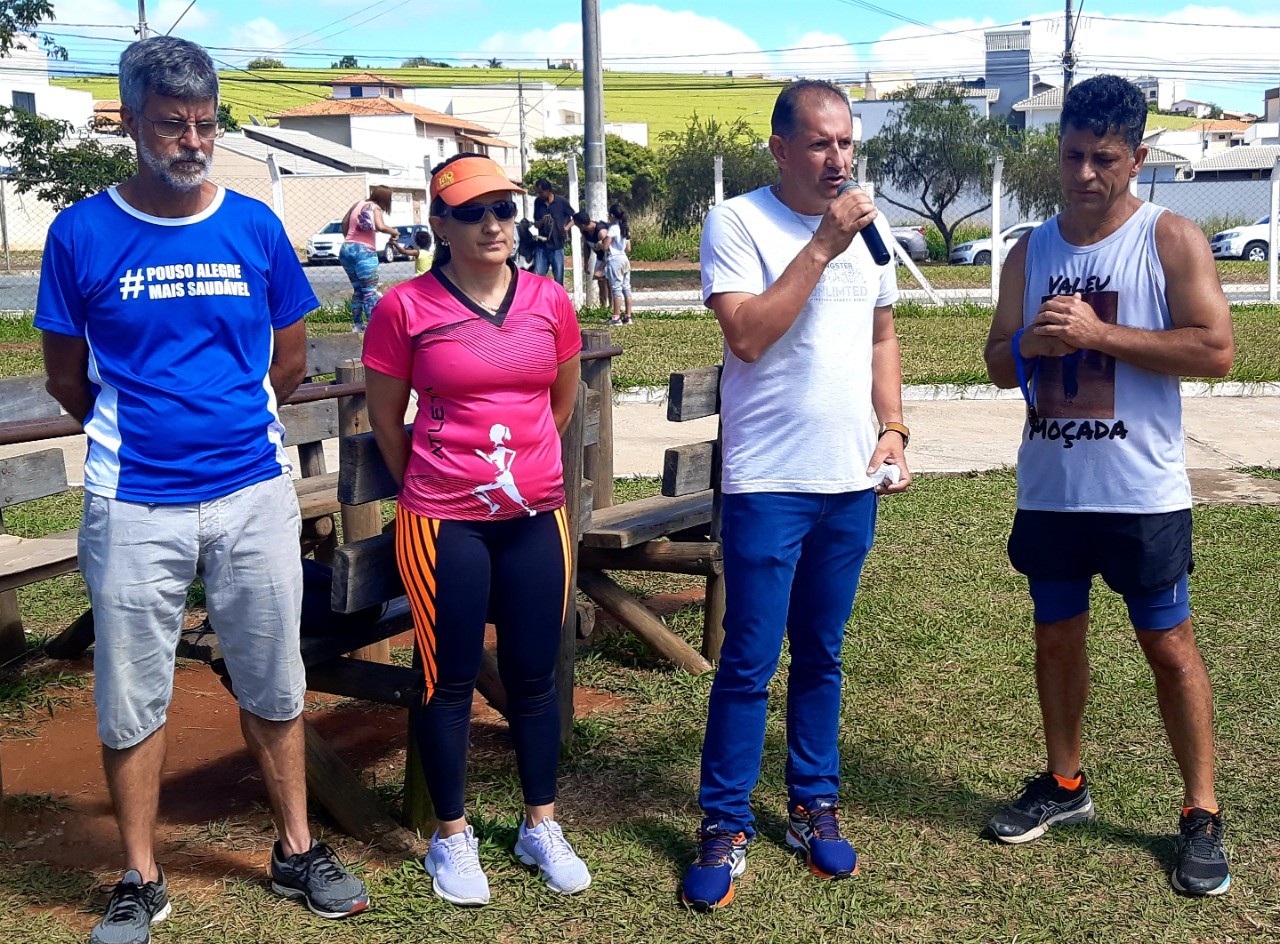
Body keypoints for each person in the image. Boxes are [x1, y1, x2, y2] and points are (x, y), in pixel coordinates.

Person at [35, 37, 369, 944]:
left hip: (251, 489)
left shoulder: (254, 225)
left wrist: (224, 417)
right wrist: (139, 423)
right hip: (133, 497)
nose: (192, 139)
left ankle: (297, 850)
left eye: (205, 123)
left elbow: (290, 357)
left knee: (274, 675)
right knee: (132, 689)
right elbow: (67, 377)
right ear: (133, 124)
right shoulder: (81, 233)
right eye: (172, 123)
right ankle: (141, 878)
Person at [982, 75, 1235, 897]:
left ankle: (1200, 813)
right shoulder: (1031, 249)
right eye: (1071, 157)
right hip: (1053, 488)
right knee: (1055, 638)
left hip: (1141, 493)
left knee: (1168, 648)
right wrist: (1031, 343)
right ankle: (1065, 784)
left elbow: (1215, 350)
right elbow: (993, 362)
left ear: (1138, 157)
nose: (1084, 174)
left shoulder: (1171, 240)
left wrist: (1100, 335)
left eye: (1103, 159)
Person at [679, 79, 911, 912]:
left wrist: (893, 426)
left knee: (822, 653)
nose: (838, 159)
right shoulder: (739, 222)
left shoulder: (867, 223)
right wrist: (821, 244)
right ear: (780, 148)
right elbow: (746, 336)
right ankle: (725, 824)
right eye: (819, 144)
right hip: (768, 482)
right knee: (748, 661)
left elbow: (883, 332)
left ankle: (815, 806)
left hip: (850, 480)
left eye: (846, 143)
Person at [362, 153, 589, 907]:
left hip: (536, 516)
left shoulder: (550, 301)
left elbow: (558, 404)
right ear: (439, 223)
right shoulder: (406, 308)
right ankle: (451, 837)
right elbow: (387, 421)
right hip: (443, 522)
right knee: (447, 675)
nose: (494, 224)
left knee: (533, 672)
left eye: (503, 209)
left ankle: (540, 824)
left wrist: (523, 471)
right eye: (473, 212)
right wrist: (437, 480)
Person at [339, 184, 400, 331]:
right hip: (364, 252)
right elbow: (380, 226)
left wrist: (350, 240)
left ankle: (357, 324)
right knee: (370, 291)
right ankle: (374, 327)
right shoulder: (375, 207)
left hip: (346, 249)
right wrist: (394, 232)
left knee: (358, 290)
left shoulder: (358, 204)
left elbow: (344, 223)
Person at [532, 178, 573, 284]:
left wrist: (566, 228)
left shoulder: (561, 202)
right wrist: (542, 221)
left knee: (559, 278)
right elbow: (536, 223)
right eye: (538, 193)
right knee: (538, 277)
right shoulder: (538, 202)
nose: (540, 195)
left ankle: (558, 300)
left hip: (557, 246)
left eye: (541, 192)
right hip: (542, 246)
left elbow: (575, 217)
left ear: (548, 190)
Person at [601, 203, 633, 326]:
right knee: (626, 287)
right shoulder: (625, 228)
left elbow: (605, 246)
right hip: (624, 259)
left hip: (615, 260)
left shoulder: (613, 228)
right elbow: (628, 248)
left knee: (616, 288)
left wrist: (601, 244)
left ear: (613, 216)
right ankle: (628, 316)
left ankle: (616, 317)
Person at [571, 210, 610, 303]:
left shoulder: (601, 232)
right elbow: (587, 246)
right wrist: (586, 263)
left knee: (609, 282)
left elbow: (608, 253)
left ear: (582, 225)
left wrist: (600, 269)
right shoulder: (585, 231)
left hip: (610, 259)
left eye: (577, 225)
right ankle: (603, 306)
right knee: (601, 281)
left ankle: (613, 307)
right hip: (600, 257)